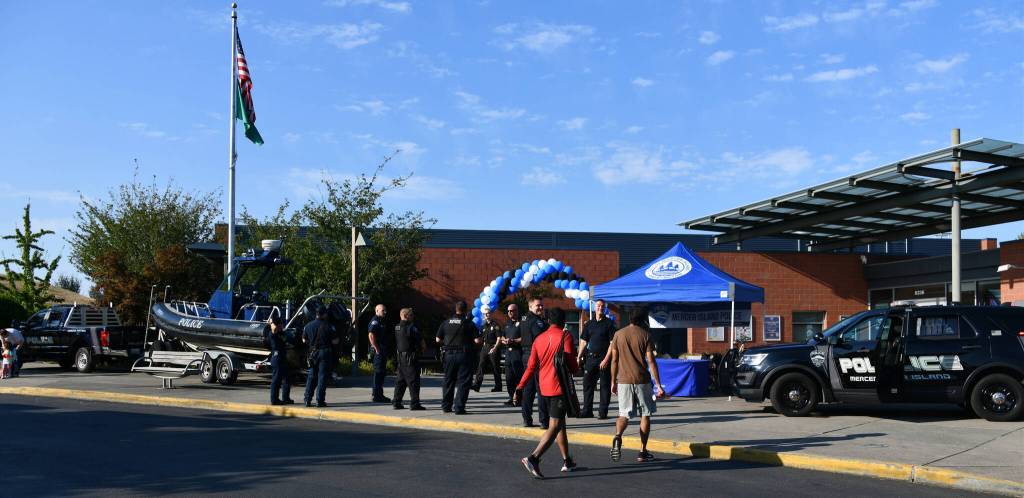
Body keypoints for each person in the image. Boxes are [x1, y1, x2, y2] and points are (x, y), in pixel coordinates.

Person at [515, 307, 579, 479]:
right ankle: (533, 458)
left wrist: (520, 387)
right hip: (560, 387)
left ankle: (567, 460)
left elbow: (530, 367)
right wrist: (577, 366)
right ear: (563, 321)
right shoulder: (565, 336)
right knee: (555, 425)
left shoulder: (539, 339)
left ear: (549, 321)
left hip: (544, 387)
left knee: (559, 424)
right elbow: (571, 363)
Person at [606, 307, 664, 463]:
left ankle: (618, 435)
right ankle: (642, 451)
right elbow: (651, 361)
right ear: (643, 319)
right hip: (642, 380)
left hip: (623, 380)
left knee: (623, 414)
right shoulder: (645, 335)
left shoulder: (618, 335)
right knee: (645, 414)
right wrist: (658, 384)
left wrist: (613, 381)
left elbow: (614, 360)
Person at [435, 300, 481, 415]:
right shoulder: (469, 323)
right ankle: (459, 407)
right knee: (464, 382)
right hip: (464, 355)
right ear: (465, 310)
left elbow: (437, 339)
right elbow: (477, 340)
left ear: (456, 309)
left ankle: (446, 406)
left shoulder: (446, 322)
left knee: (448, 381)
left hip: (448, 355)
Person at [578, 299, 616, 419]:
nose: (600, 308)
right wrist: (579, 356)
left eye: (602, 306)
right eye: (598, 306)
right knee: (587, 385)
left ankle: (602, 412)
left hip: (603, 359)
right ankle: (587, 411)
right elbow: (583, 341)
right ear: (595, 307)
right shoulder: (589, 324)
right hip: (590, 359)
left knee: (604, 386)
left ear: (605, 309)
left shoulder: (609, 324)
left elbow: (612, 343)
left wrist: (606, 359)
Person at [519, 298, 549, 427]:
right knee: (541, 389)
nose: (540, 308)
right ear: (530, 307)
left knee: (528, 389)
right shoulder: (536, 321)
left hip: (526, 355)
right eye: (537, 306)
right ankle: (544, 420)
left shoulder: (524, 319)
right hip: (536, 356)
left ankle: (527, 419)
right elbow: (540, 339)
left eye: (542, 305)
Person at [392, 307, 425, 411]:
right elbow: (422, 342)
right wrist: (422, 350)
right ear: (406, 316)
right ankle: (415, 403)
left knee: (400, 381)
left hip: (400, 357)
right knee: (413, 380)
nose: (413, 317)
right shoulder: (411, 327)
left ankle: (396, 402)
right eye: (411, 315)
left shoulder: (397, 327)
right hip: (410, 357)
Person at [303, 306, 336, 408]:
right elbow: (335, 341)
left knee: (311, 376)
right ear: (324, 314)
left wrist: (312, 345)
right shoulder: (329, 326)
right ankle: (319, 400)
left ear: (316, 314)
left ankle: (307, 399)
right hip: (324, 353)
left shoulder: (308, 326)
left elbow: (304, 340)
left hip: (313, 353)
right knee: (322, 377)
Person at [472, 306, 503, 393]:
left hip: (493, 347)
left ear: (491, 314)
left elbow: (499, 338)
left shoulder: (495, 325)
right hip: (485, 347)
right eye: (485, 314)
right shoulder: (483, 325)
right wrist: (477, 340)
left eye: (488, 313)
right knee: (481, 365)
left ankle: (498, 386)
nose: (486, 315)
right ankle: (476, 385)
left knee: (495, 367)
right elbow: (482, 338)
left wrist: (495, 348)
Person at [268, 315, 294, 405]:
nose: (282, 326)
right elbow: (274, 329)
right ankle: (274, 399)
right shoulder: (273, 333)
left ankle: (286, 398)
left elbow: (286, 340)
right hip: (277, 357)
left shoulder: (281, 333)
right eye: (281, 324)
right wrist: (272, 322)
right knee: (276, 379)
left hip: (283, 357)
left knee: (287, 378)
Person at [368, 304, 392, 404]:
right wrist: (376, 348)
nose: (385, 312)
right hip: (378, 351)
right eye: (383, 310)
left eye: (385, 310)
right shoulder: (375, 321)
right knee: (378, 373)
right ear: (377, 311)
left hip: (382, 350)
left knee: (381, 373)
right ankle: (377, 396)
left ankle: (379, 394)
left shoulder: (381, 321)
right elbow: (371, 335)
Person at [501, 304, 524, 407]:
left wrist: (513, 340)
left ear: (517, 311)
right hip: (508, 354)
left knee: (518, 377)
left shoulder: (522, 323)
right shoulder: (507, 324)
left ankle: (519, 398)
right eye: (508, 311)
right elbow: (502, 336)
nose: (510, 313)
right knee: (509, 378)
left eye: (512, 311)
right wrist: (503, 340)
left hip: (517, 353)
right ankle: (511, 398)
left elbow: (525, 338)